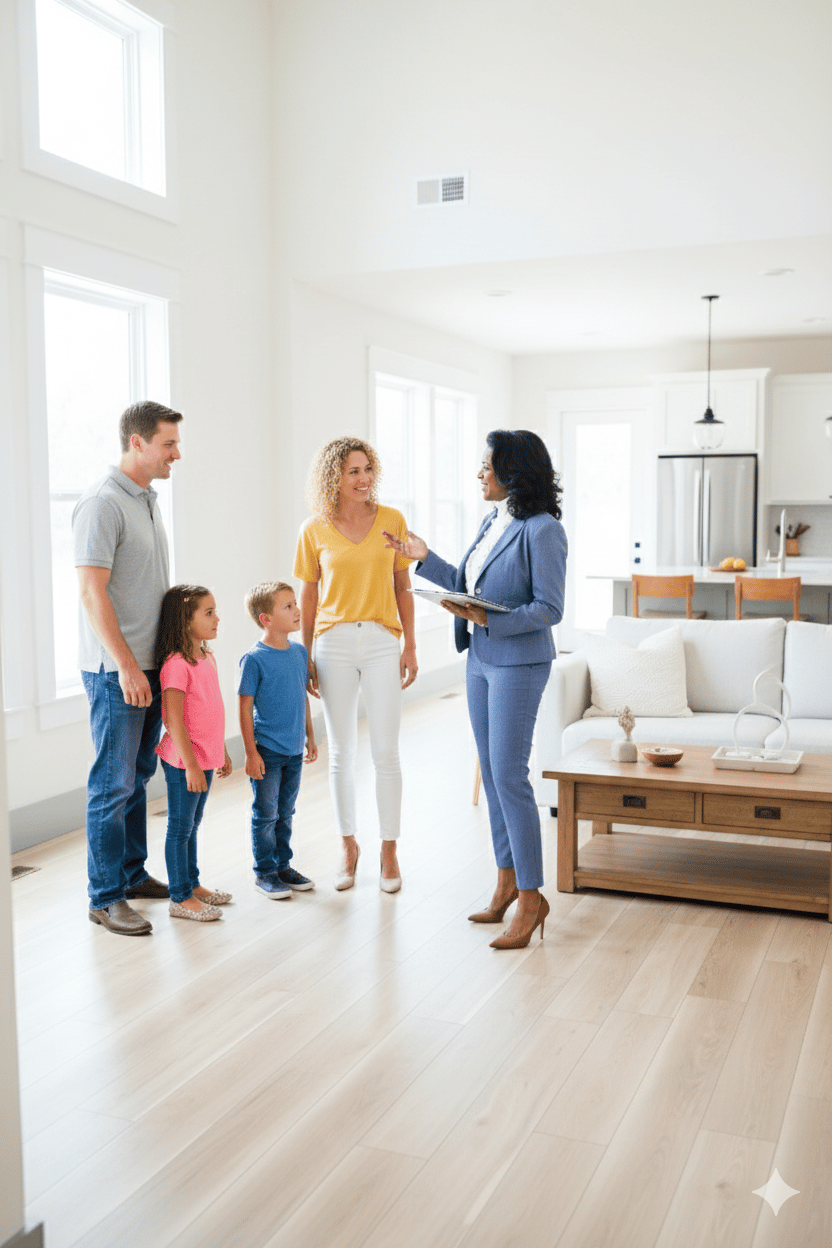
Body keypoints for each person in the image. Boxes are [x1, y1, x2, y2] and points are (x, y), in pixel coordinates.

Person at [383, 429, 567, 949]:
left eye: (487, 466)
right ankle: (507, 881)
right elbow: (470, 583)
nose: (480, 474)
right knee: (491, 775)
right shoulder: (496, 518)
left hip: (518, 662)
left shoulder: (543, 529)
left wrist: (487, 618)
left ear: (514, 471)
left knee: (510, 777)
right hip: (482, 659)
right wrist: (425, 556)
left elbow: (549, 609)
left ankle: (532, 897)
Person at [74, 400, 182, 936]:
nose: (176, 454)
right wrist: (126, 667)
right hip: (117, 672)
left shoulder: (146, 501)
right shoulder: (102, 503)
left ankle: (132, 873)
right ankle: (105, 895)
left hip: (149, 665)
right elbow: (93, 595)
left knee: (138, 778)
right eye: (168, 444)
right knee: (112, 784)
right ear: (137, 442)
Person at [294, 436, 417, 892]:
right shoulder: (314, 529)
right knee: (341, 752)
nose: (363, 479)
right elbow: (307, 595)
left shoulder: (392, 520)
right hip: (333, 644)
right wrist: (303, 654)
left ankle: (389, 850)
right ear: (334, 478)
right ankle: (349, 847)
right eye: (353, 472)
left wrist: (410, 645)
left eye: (367, 470)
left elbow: (402, 583)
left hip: (384, 640)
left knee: (386, 752)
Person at [155, 586, 233, 921]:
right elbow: (174, 720)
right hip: (184, 760)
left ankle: (192, 883)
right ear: (187, 621)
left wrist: (224, 750)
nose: (217, 618)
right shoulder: (176, 665)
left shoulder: (207, 657)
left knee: (193, 823)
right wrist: (190, 766)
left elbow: (211, 710)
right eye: (209, 612)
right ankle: (179, 896)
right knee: (180, 826)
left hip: (204, 756)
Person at [238, 581, 319, 900]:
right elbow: (244, 709)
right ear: (265, 619)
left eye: (295, 604)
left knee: (286, 811)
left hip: (294, 750)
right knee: (266, 812)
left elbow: (303, 696)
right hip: (267, 752)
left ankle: (283, 865)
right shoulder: (254, 659)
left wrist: (312, 736)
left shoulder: (299, 653)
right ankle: (265, 872)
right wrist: (250, 753)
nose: (297, 610)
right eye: (288, 607)